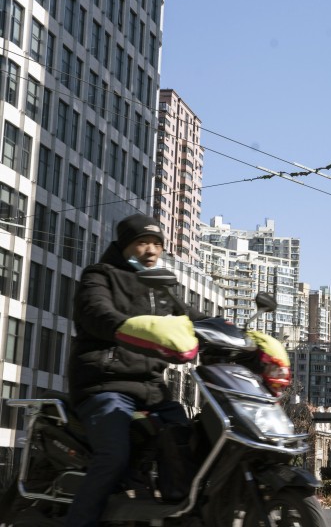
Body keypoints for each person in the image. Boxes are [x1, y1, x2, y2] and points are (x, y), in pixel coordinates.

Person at [65, 214, 207, 527]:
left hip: (152, 391)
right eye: (143, 242)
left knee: (193, 441)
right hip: (106, 386)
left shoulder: (159, 288)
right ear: (124, 245)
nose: (151, 250)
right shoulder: (100, 275)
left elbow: (193, 317)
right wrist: (124, 327)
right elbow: (96, 311)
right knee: (114, 455)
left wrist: (239, 335)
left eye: (157, 244)